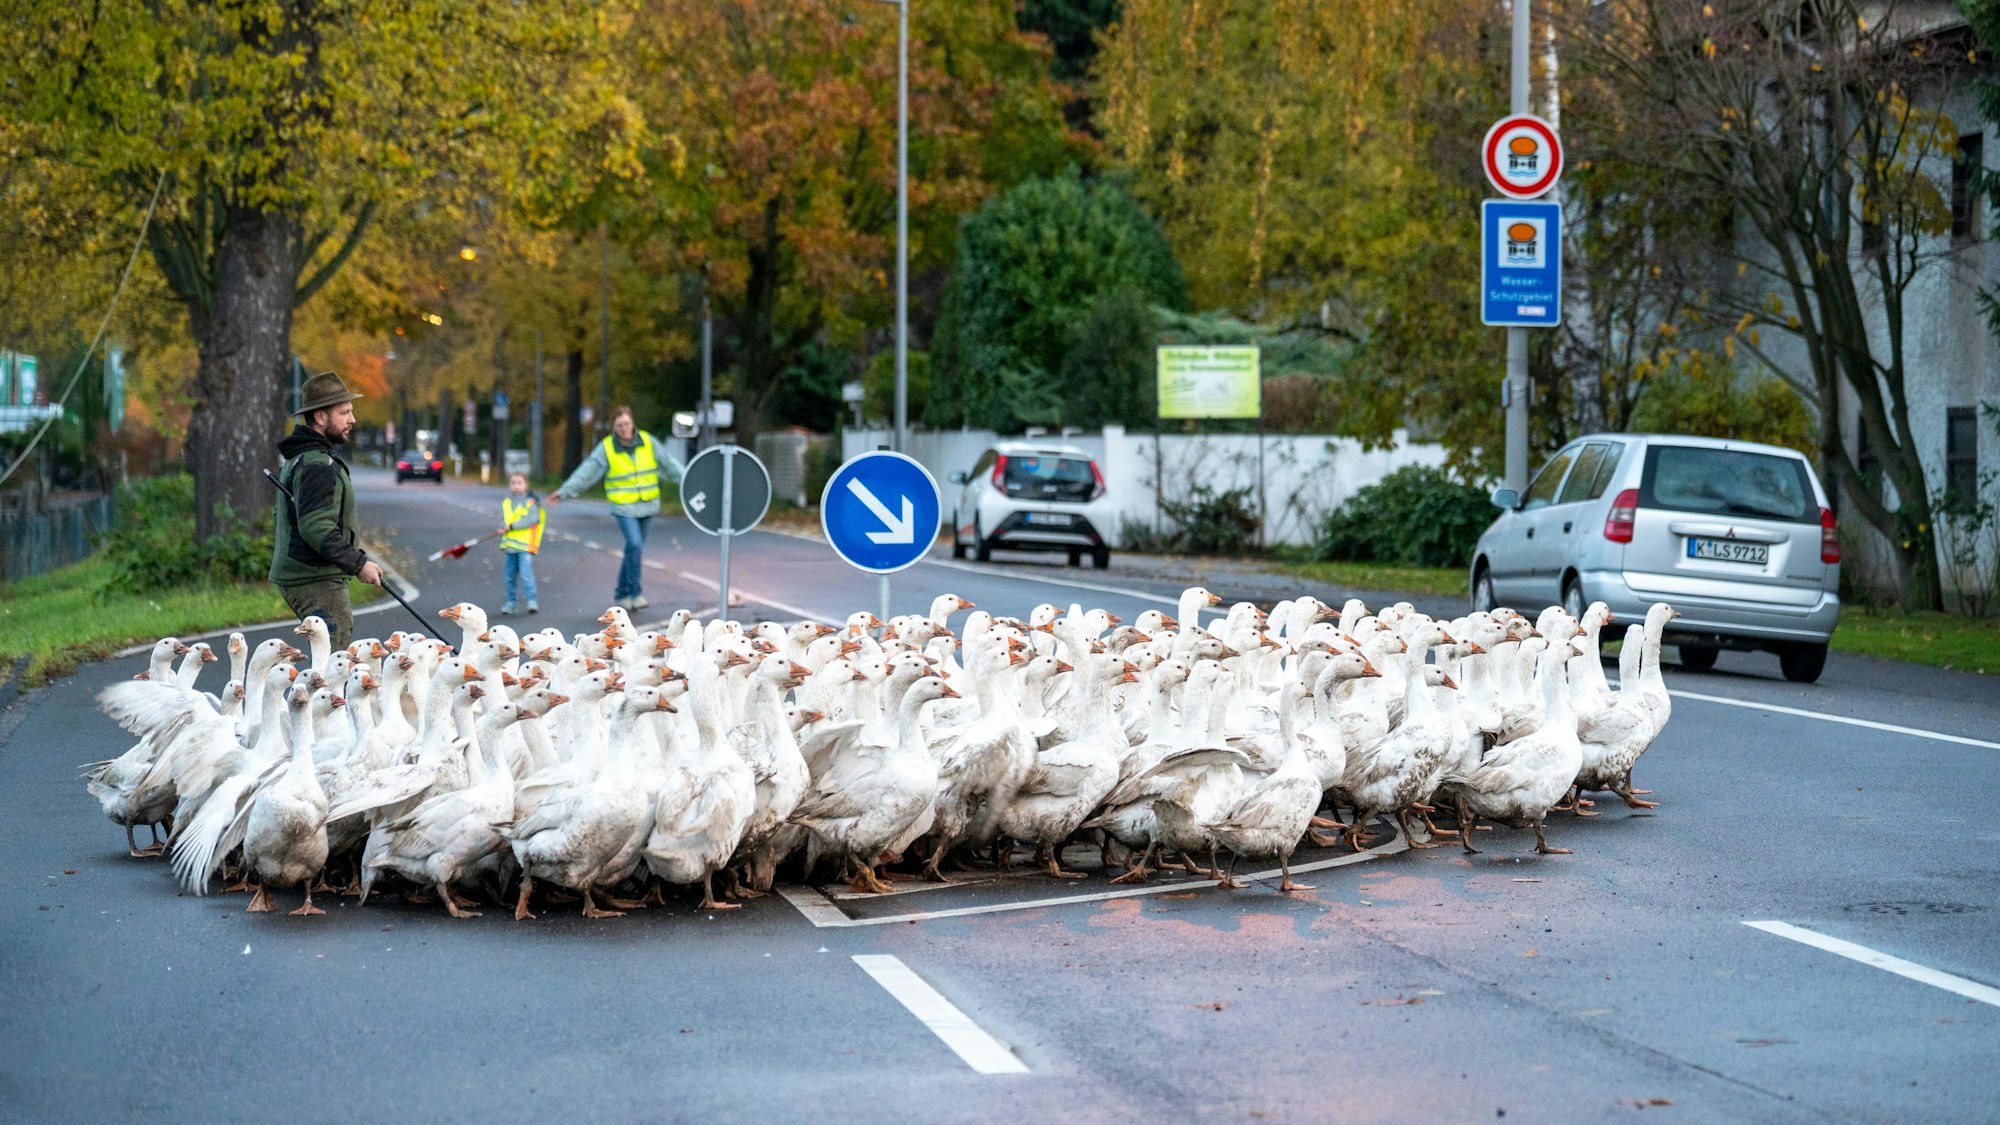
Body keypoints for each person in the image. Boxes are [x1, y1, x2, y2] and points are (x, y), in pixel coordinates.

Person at [270, 370, 384, 648]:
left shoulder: (306, 459)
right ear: (320, 417)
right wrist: (358, 564)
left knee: (331, 661)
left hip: (310, 574)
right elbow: (316, 526)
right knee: (334, 661)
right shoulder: (316, 465)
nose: (352, 419)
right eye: (344, 412)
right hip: (314, 578)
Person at [546, 406, 684, 611]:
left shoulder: (647, 441)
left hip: (648, 504)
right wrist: (565, 492)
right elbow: (588, 472)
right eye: (619, 425)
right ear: (614, 427)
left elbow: (670, 465)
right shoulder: (607, 448)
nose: (624, 428)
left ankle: (621, 593)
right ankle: (635, 594)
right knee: (635, 545)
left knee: (633, 550)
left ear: (632, 423)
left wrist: (690, 482)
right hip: (623, 506)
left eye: (627, 424)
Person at [498, 471, 544, 615]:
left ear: (526, 485)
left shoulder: (531, 503)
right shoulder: (506, 502)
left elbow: (532, 520)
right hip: (510, 547)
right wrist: (502, 527)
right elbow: (503, 518)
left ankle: (531, 601)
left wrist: (512, 526)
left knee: (526, 574)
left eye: (519, 483)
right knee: (509, 576)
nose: (516, 486)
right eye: (513, 483)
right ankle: (511, 602)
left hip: (525, 547)